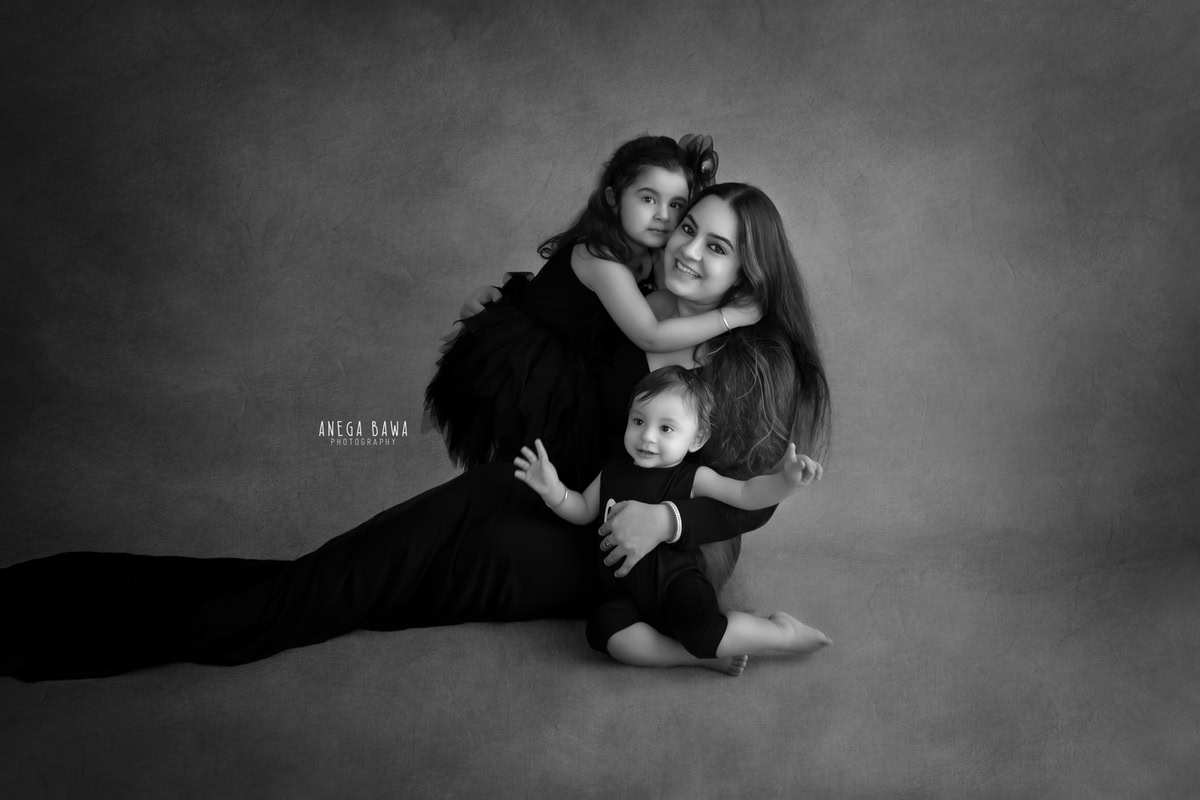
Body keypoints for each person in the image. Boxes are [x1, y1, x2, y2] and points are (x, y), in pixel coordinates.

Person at [0, 183, 830, 681]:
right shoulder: (639, 310)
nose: (689, 250)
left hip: (660, 557)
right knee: (399, 552)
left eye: (717, 247)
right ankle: (173, 603)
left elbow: (755, 501)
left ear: (747, 274)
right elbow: (555, 329)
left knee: (404, 582)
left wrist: (665, 519)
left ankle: (210, 625)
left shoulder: (754, 361)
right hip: (588, 502)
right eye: (688, 229)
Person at [425, 134, 761, 486]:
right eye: (648, 198)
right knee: (529, 459)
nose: (664, 215)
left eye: (677, 204)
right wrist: (731, 316)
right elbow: (649, 334)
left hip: (575, 355)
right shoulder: (600, 258)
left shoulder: (654, 252)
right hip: (533, 362)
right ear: (613, 198)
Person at [515, 366, 830, 677]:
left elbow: (745, 494)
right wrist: (554, 491)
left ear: (697, 438)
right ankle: (695, 657)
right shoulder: (612, 471)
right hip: (624, 597)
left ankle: (782, 633)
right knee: (604, 631)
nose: (647, 436)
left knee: (703, 631)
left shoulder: (693, 477)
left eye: (666, 428)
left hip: (677, 586)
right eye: (638, 421)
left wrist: (785, 482)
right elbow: (583, 509)